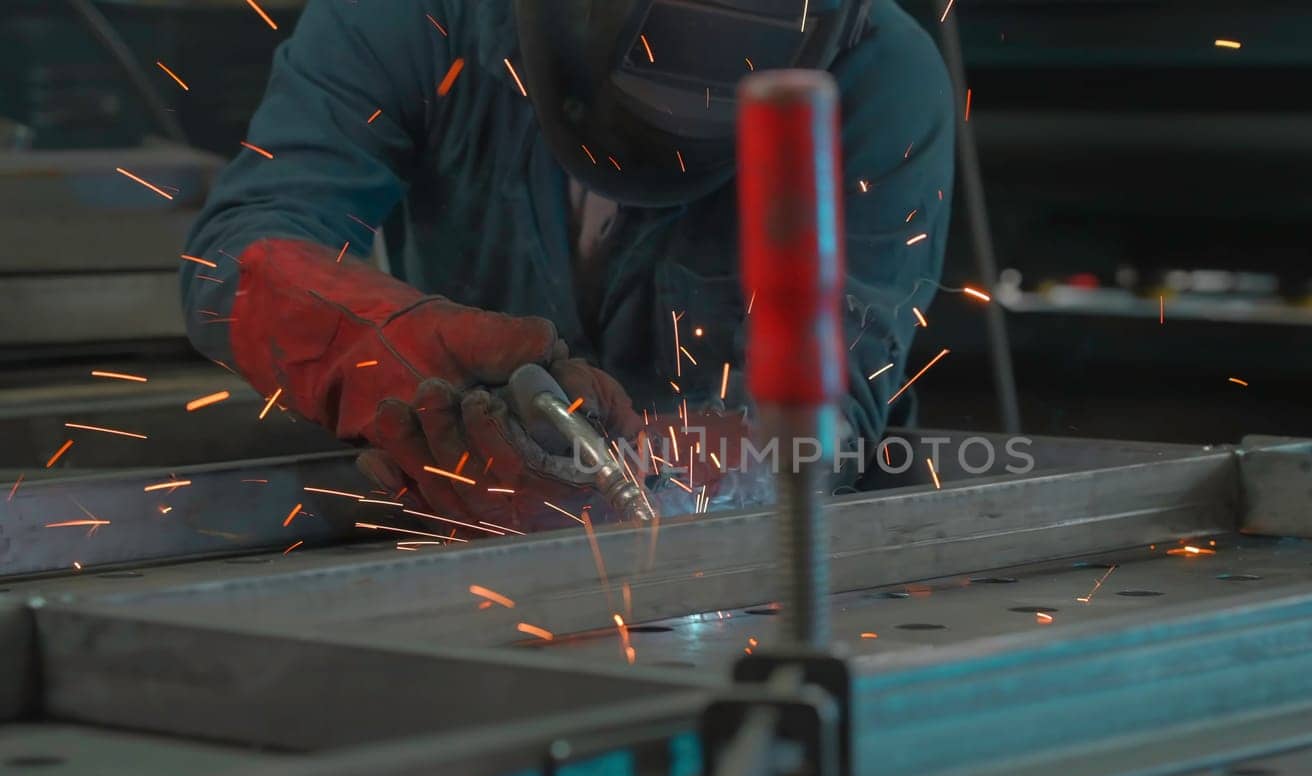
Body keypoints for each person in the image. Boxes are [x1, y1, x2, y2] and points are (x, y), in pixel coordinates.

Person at [181, 0, 954, 530]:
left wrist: (647, 480)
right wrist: (384, 344)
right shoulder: (414, 16)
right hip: (460, 542)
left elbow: (818, 421)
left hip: (780, 562)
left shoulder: (879, 74)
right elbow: (239, 253)